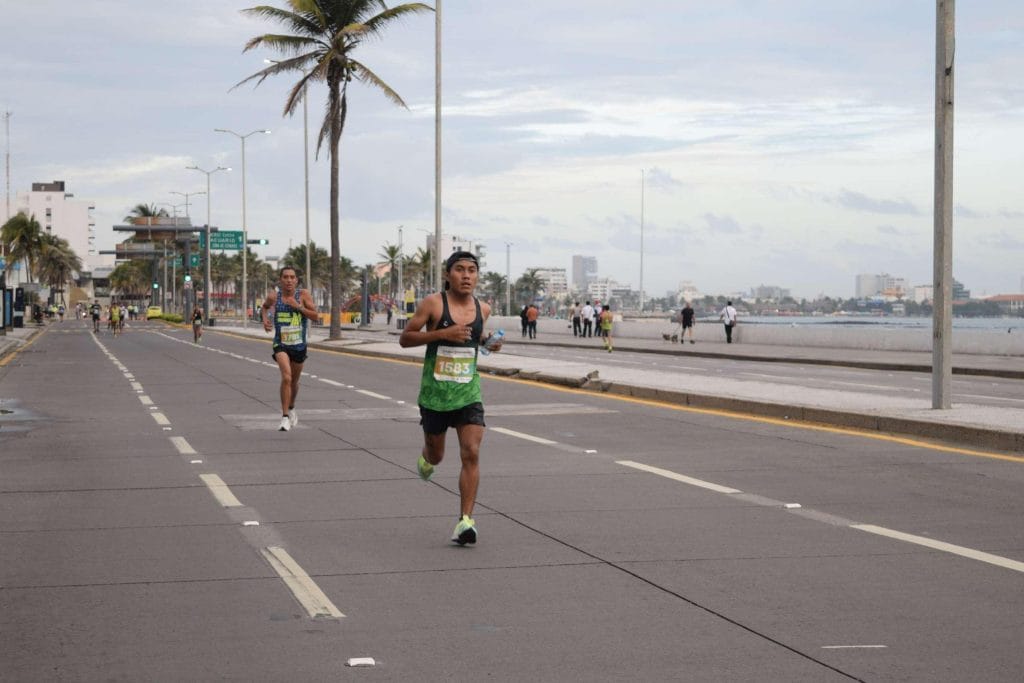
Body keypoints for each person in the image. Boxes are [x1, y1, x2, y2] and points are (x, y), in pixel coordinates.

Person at [399, 251, 501, 546]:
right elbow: (405, 338)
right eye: (459, 270)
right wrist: (443, 334)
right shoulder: (433, 304)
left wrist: (490, 343)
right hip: (435, 394)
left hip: (468, 392)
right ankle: (426, 457)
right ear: (448, 275)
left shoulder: (483, 309)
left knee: (471, 451)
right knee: (437, 455)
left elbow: (475, 339)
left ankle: (465, 521)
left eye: (472, 270)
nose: (466, 275)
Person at [261, 266, 319, 432]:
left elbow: (315, 317)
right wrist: (265, 320)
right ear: (280, 280)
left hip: (299, 345)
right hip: (281, 343)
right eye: (285, 277)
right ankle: (285, 417)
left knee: (294, 381)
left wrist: (298, 307)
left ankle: (292, 407)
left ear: (296, 281)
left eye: (292, 277)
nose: (289, 280)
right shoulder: (274, 296)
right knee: (286, 377)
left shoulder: (303, 295)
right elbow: (264, 307)